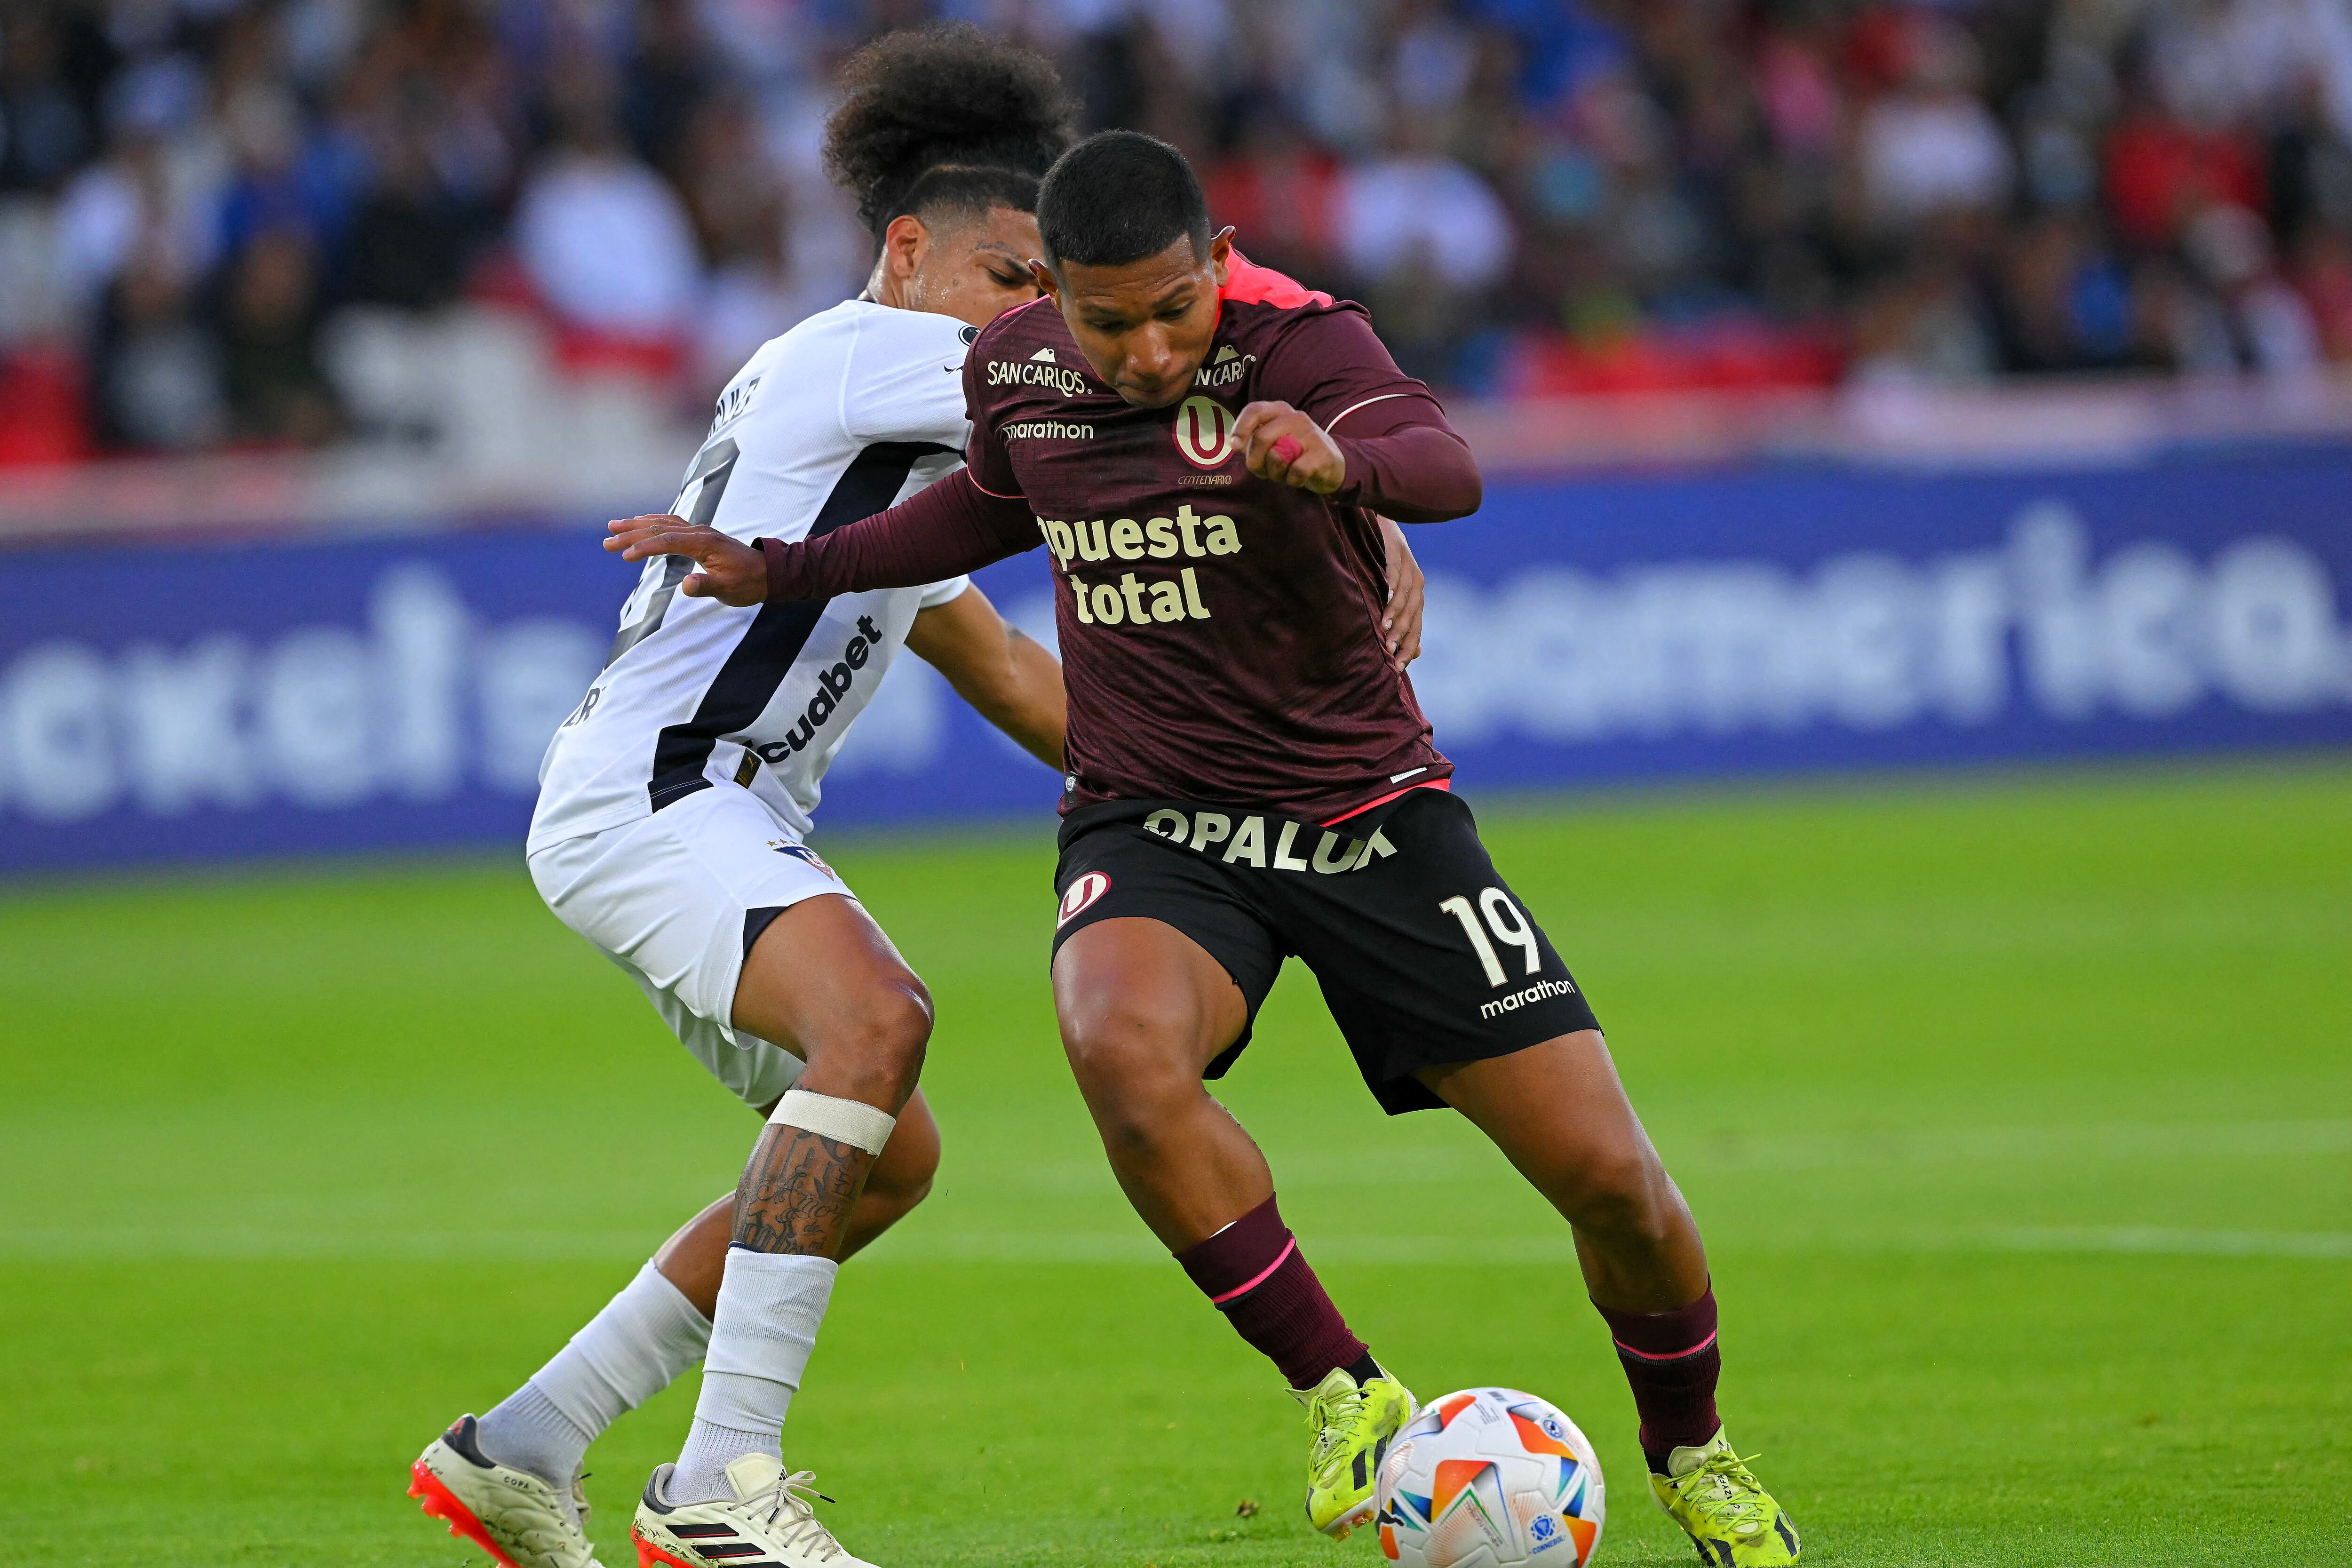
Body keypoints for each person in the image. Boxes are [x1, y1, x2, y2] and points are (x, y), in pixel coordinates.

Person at [610, 128, 1804, 1567]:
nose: (1147, 348)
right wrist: (784, 565)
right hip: (1154, 818)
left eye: (1173, 310)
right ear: (1059, 292)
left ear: (1215, 264)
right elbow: (982, 508)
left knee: (1612, 1182)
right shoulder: (1020, 368)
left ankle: (1696, 1451)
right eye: (1109, 320)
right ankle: (1346, 1392)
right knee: (1119, 1050)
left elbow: (1447, 464)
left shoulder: (1303, 341)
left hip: (1369, 819)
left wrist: (1340, 464)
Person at [407, 32, 1073, 1568]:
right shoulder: (859, 354)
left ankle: (524, 1445)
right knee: (880, 1023)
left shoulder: (887, 464)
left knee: (882, 1151)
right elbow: (1097, 384)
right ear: (908, 251)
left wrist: (1217, 776)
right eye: (1012, 276)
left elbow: (1026, 687)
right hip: (661, 792)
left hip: (695, 808)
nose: (1034, 314)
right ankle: (720, 1483)